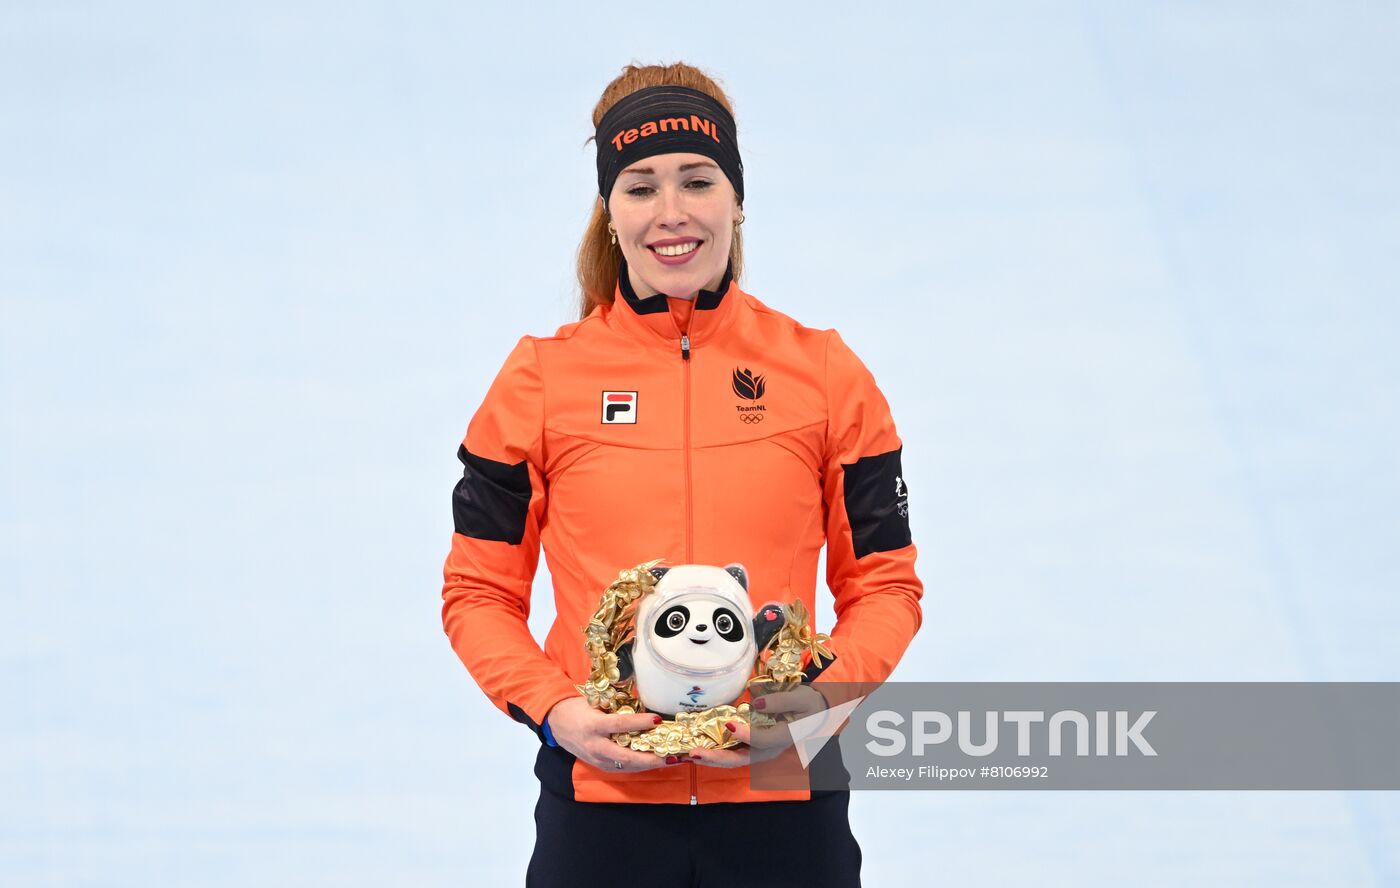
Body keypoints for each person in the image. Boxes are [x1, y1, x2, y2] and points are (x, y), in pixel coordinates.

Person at [441, 62, 924, 887]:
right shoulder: (539, 382)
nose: (672, 215)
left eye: (697, 182)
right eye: (640, 187)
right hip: (600, 811)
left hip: (787, 803)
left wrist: (807, 710)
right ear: (609, 210)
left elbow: (886, 586)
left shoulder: (826, 375)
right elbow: (477, 594)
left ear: (736, 199)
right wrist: (558, 714)